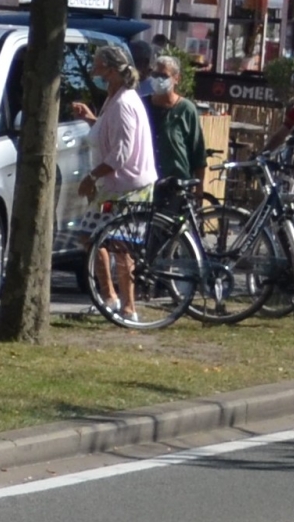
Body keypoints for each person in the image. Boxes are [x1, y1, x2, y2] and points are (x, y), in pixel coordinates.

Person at [79, 45, 159, 318]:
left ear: (111, 71)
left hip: (128, 186)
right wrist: (91, 119)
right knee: (91, 238)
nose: (93, 71)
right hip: (115, 185)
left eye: (98, 66)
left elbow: (121, 153)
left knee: (121, 245)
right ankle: (110, 297)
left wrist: (92, 177)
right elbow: (108, 135)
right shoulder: (113, 98)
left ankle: (128, 307)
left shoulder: (125, 102)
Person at [144, 55, 207, 193]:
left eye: (164, 75)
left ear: (176, 79)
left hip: (176, 186)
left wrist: (199, 189)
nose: (159, 79)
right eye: (155, 74)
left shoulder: (186, 109)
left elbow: (198, 153)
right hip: (146, 185)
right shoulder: (141, 106)